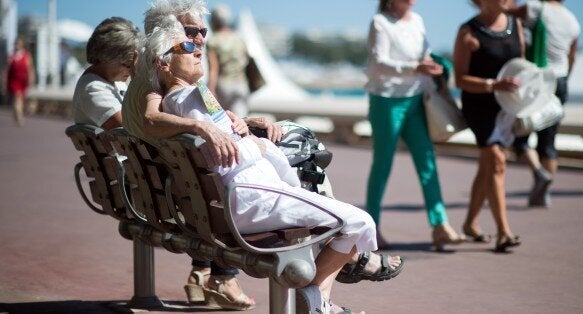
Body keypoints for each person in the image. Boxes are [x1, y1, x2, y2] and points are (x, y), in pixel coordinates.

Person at [140, 23, 403, 314]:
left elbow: (218, 150)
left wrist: (246, 131)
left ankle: (319, 301)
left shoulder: (182, 100)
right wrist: (261, 147)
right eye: (187, 47)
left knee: (335, 216)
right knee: (359, 222)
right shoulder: (189, 99)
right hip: (255, 201)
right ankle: (314, 298)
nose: (199, 49)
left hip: (243, 201)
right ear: (163, 62)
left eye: (198, 44)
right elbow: (226, 160)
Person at [123, 0, 257, 309]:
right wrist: (202, 126)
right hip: (178, 192)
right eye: (189, 32)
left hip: (158, 185)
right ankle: (224, 277)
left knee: (205, 172)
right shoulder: (160, 77)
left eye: (202, 32)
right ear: (165, 33)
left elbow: (215, 115)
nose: (198, 40)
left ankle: (201, 273)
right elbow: (153, 120)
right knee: (224, 177)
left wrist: (244, 120)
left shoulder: (153, 73)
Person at [364, 0, 464, 251]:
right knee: (383, 164)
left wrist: (432, 66)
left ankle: (440, 225)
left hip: (417, 99)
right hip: (386, 101)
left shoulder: (417, 20)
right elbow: (378, 63)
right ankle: (371, 228)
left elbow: (425, 54)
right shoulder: (381, 22)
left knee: (427, 160)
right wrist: (414, 68)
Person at [453, 0, 523, 252]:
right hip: (479, 106)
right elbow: (459, 78)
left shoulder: (516, 25)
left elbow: (521, 67)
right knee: (495, 160)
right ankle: (504, 231)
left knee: (488, 167)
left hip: (506, 107)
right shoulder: (468, 30)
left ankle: (471, 223)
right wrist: (494, 84)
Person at [508, 0, 580, 207]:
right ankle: (544, 192)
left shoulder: (536, 8)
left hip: (537, 79)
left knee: (520, 136)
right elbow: (572, 55)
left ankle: (539, 173)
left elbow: (502, 12)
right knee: (548, 141)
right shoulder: (572, 20)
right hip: (560, 79)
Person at [72, 17, 140, 129]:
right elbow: (132, 128)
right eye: (128, 65)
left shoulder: (114, 81)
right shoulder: (93, 89)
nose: (132, 70)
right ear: (106, 57)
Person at [207, 3, 251, 118]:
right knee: (241, 120)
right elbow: (247, 59)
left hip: (224, 86)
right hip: (241, 84)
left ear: (214, 21)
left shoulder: (213, 41)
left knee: (224, 122)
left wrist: (210, 90)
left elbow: (213, 69)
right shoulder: (239, 39)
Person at [2, 38, 34, 126]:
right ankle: (19, 117)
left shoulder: (26, 56)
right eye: (16, 43)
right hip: (13, 80)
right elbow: (6, 70)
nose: (17, 45)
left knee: (20, 99)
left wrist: (31, 79)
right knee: (17, 97)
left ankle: (17, 112)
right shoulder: (10, 56)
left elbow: (30, 69)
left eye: (18, 44)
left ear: (22, 45)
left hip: (23, 80)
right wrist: (4, 82)